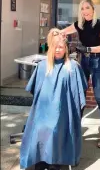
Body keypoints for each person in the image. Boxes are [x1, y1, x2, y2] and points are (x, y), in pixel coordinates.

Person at [20, 28, 87, 170]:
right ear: (51, 48)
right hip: (43, 111)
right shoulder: (43, 66)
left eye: (61, 47)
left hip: (63, 112)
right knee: (40, 128)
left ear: (66, 49)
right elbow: (35, 91)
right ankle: (41, 160)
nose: (58, 50)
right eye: (55, 47)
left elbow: (78, 96)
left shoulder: (72, 67)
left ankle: (54, 163)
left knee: (55, 129)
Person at [61, 0, 100, 148]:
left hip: (98, 62)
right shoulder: (79, 25)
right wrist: (57, 36)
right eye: (82, 8)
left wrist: (88, 49)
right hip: (84, 62)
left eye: (87, 8)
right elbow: (63, 31)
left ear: (93, 9)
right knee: (80, 94)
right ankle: (75, 129)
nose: (85, 11)